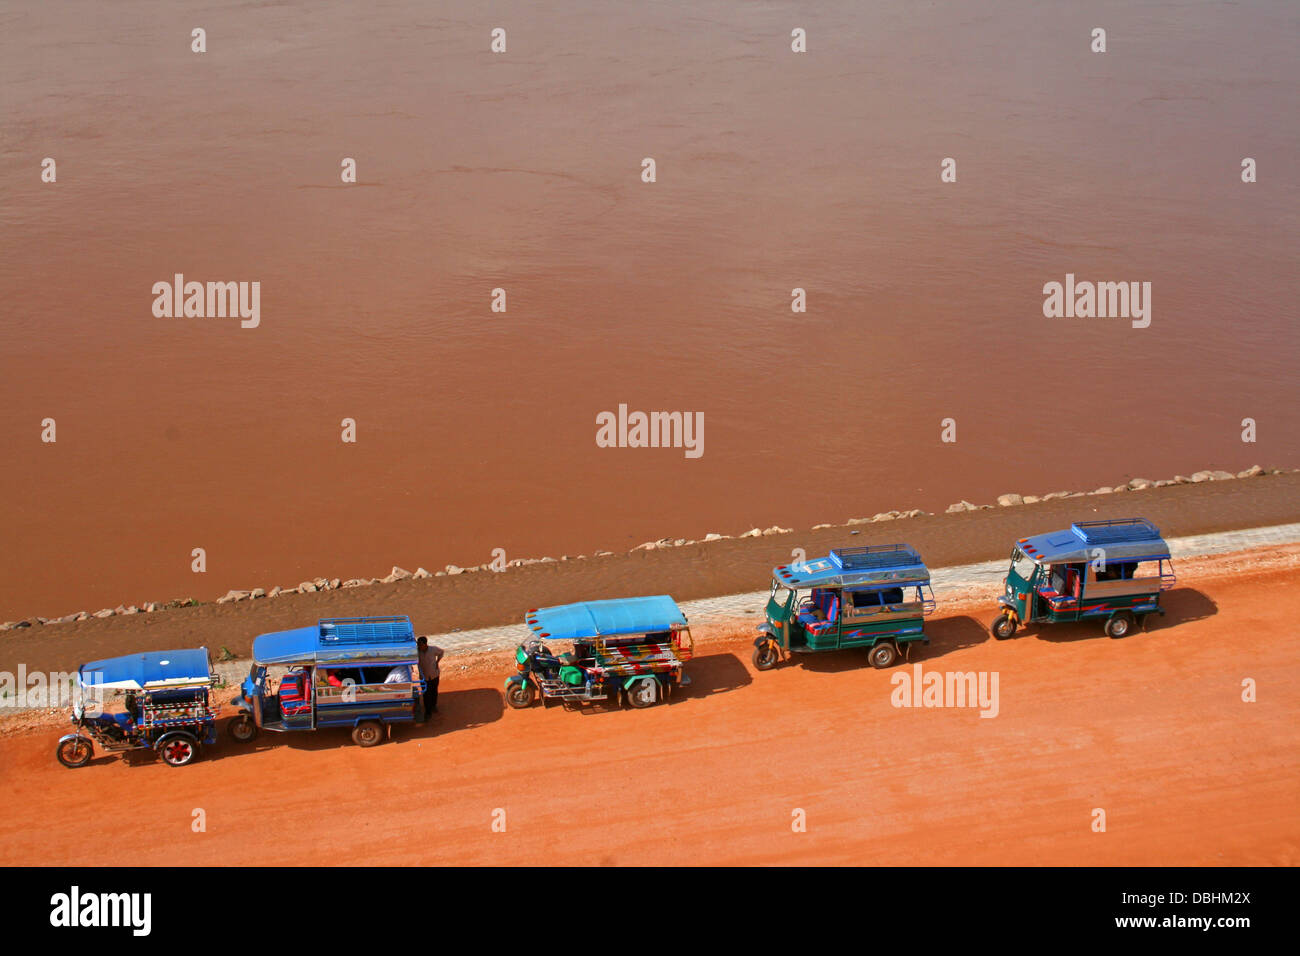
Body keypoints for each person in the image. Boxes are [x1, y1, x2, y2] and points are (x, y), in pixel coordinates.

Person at [416, 637, 444, 716]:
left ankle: (433, 706)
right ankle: (427, 711)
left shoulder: (433, 649)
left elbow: (441, 652)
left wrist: (437, 661)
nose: (419, 646)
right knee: (425, 693)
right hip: (423, 677)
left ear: (425, 644)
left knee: (434, 691)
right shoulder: (417, 652)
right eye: (418, 644)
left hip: (434, 675)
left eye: (420, 644)